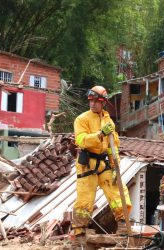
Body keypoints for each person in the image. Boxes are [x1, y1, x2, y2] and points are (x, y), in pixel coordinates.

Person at [71, 86, 131, 247]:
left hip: (105, 162)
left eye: (96, 102)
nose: (93, 104)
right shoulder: (82, 119)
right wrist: (100, 134)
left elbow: (113, 145)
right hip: (87, 163)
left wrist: (115, 166)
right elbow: (81, 140)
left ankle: (124, 225)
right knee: (85, 199)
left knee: (118, 191)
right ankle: (79, 233)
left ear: (103, 102)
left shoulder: (108, 120)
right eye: (91, 101)